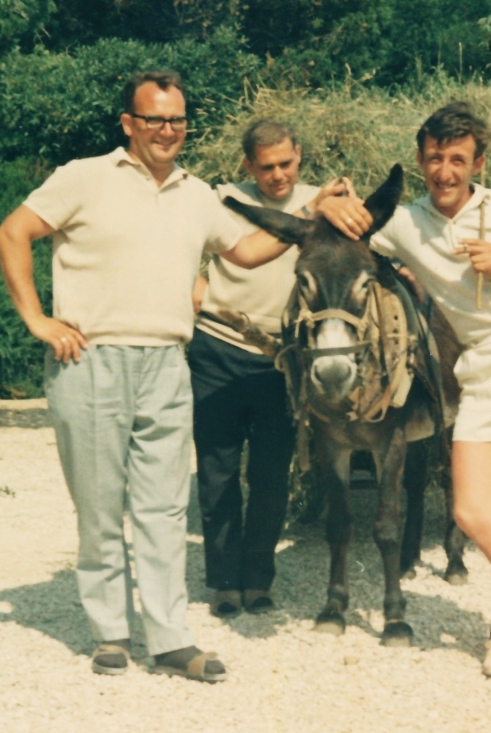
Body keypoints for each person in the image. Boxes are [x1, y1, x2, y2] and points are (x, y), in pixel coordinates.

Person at [0, 70, 295, 682]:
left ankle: (170, 637)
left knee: (161, 509)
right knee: (101, 507)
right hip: (91, 360)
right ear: (128, 123)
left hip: (167, 364)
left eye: (178, 120)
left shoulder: (196, 194)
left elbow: (248, 251)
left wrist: (317, 217)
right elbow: (13, 232)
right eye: (154, 119)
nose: (167, 131)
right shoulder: (84, 176)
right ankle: (110, 632)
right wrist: (37, 319)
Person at [319, 102, 491, 680]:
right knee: (469, 509)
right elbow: (342, 226)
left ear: (477, 163)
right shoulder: (404, 222)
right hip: (478, 366)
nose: (445, 170)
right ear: (421, 160)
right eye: (435, 158)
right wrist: (326, 199)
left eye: (457, 159)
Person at [189, 120, 349, 618]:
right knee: (216, 472)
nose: (278, 175)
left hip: (283, 359)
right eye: (266, 167)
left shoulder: (326, 201)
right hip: (218, 347)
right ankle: (222, 581)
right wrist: (198, 295)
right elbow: (176, 258)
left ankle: (258, 580)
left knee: (270, 474)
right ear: (247, 166)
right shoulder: (222, 200)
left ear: (299, 154)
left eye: (286, 163)